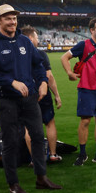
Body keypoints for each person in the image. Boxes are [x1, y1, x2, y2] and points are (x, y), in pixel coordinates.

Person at [0, 4, 62, 193]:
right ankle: (13, 184)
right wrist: (11, 82)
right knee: (10, 142)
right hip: (6, 100)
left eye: (14, 18)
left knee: (37, 136)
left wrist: (43, 81)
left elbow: (38, 64)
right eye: (7, 18)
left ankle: (41, 177)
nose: (12, 21)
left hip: (29, 99)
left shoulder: (24, 41)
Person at [61, 17, 96, 165]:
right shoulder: (84, 45)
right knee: (85, 121)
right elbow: (64, 57)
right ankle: (82, 154)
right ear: (92, 30)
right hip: (86, 89)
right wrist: (69, 73)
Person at [22, 26, 63, 162]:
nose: (38, 40)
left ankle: (35, 159)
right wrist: (56, 95)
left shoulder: (16, 55)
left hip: (25, 94)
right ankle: (52, 155)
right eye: (36, 37)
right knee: (49, 123)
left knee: (28, 127)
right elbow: (49, 76)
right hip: (42, 93)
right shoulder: (40, 54)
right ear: (30, 38)